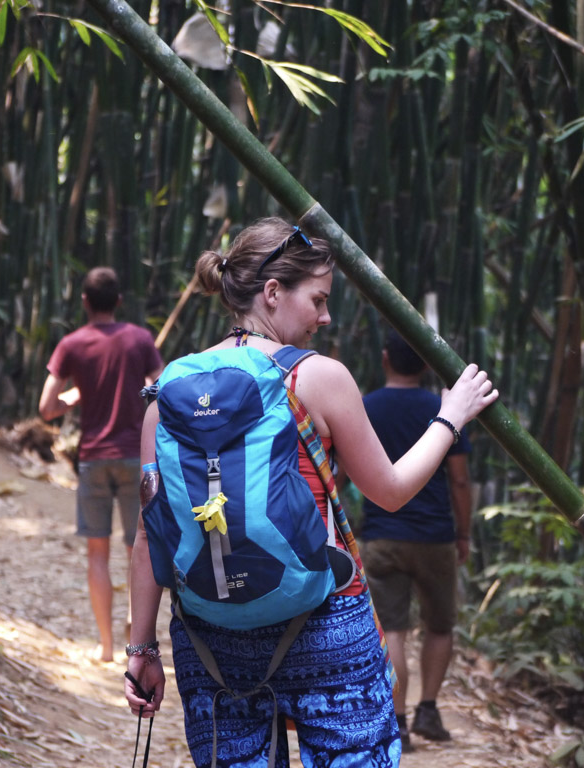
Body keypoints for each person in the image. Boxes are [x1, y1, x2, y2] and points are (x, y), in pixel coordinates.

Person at [124, 217, 497, 767]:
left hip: (212, 641)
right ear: (272, 293)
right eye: (318, 299)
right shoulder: (318, 378)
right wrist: (450, 416)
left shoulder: (169, 391)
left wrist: (141, 650)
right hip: (324, 626)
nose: (326, 317)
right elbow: (390, 491)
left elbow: (147, 535)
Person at [39, 266, 165, 663]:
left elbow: (46, 409)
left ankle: (106, 646)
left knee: (97, 554)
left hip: (93, 457)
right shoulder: (139, 339)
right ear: (119, 302)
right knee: (137, 549)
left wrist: (74, 397)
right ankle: (136, 640)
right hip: (136, 457)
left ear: (84, 302)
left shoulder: (72, 344)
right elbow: (163, 390)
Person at [360, 328, 474, 750]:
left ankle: (400, 721)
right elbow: (459, 481)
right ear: (427, 364)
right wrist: (464, 532)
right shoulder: (445, 408)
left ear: (385, 357)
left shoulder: (365, 406)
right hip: (434, 534)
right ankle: (429, 707)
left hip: (381, 534)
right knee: (439, 625)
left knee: (392, 629)